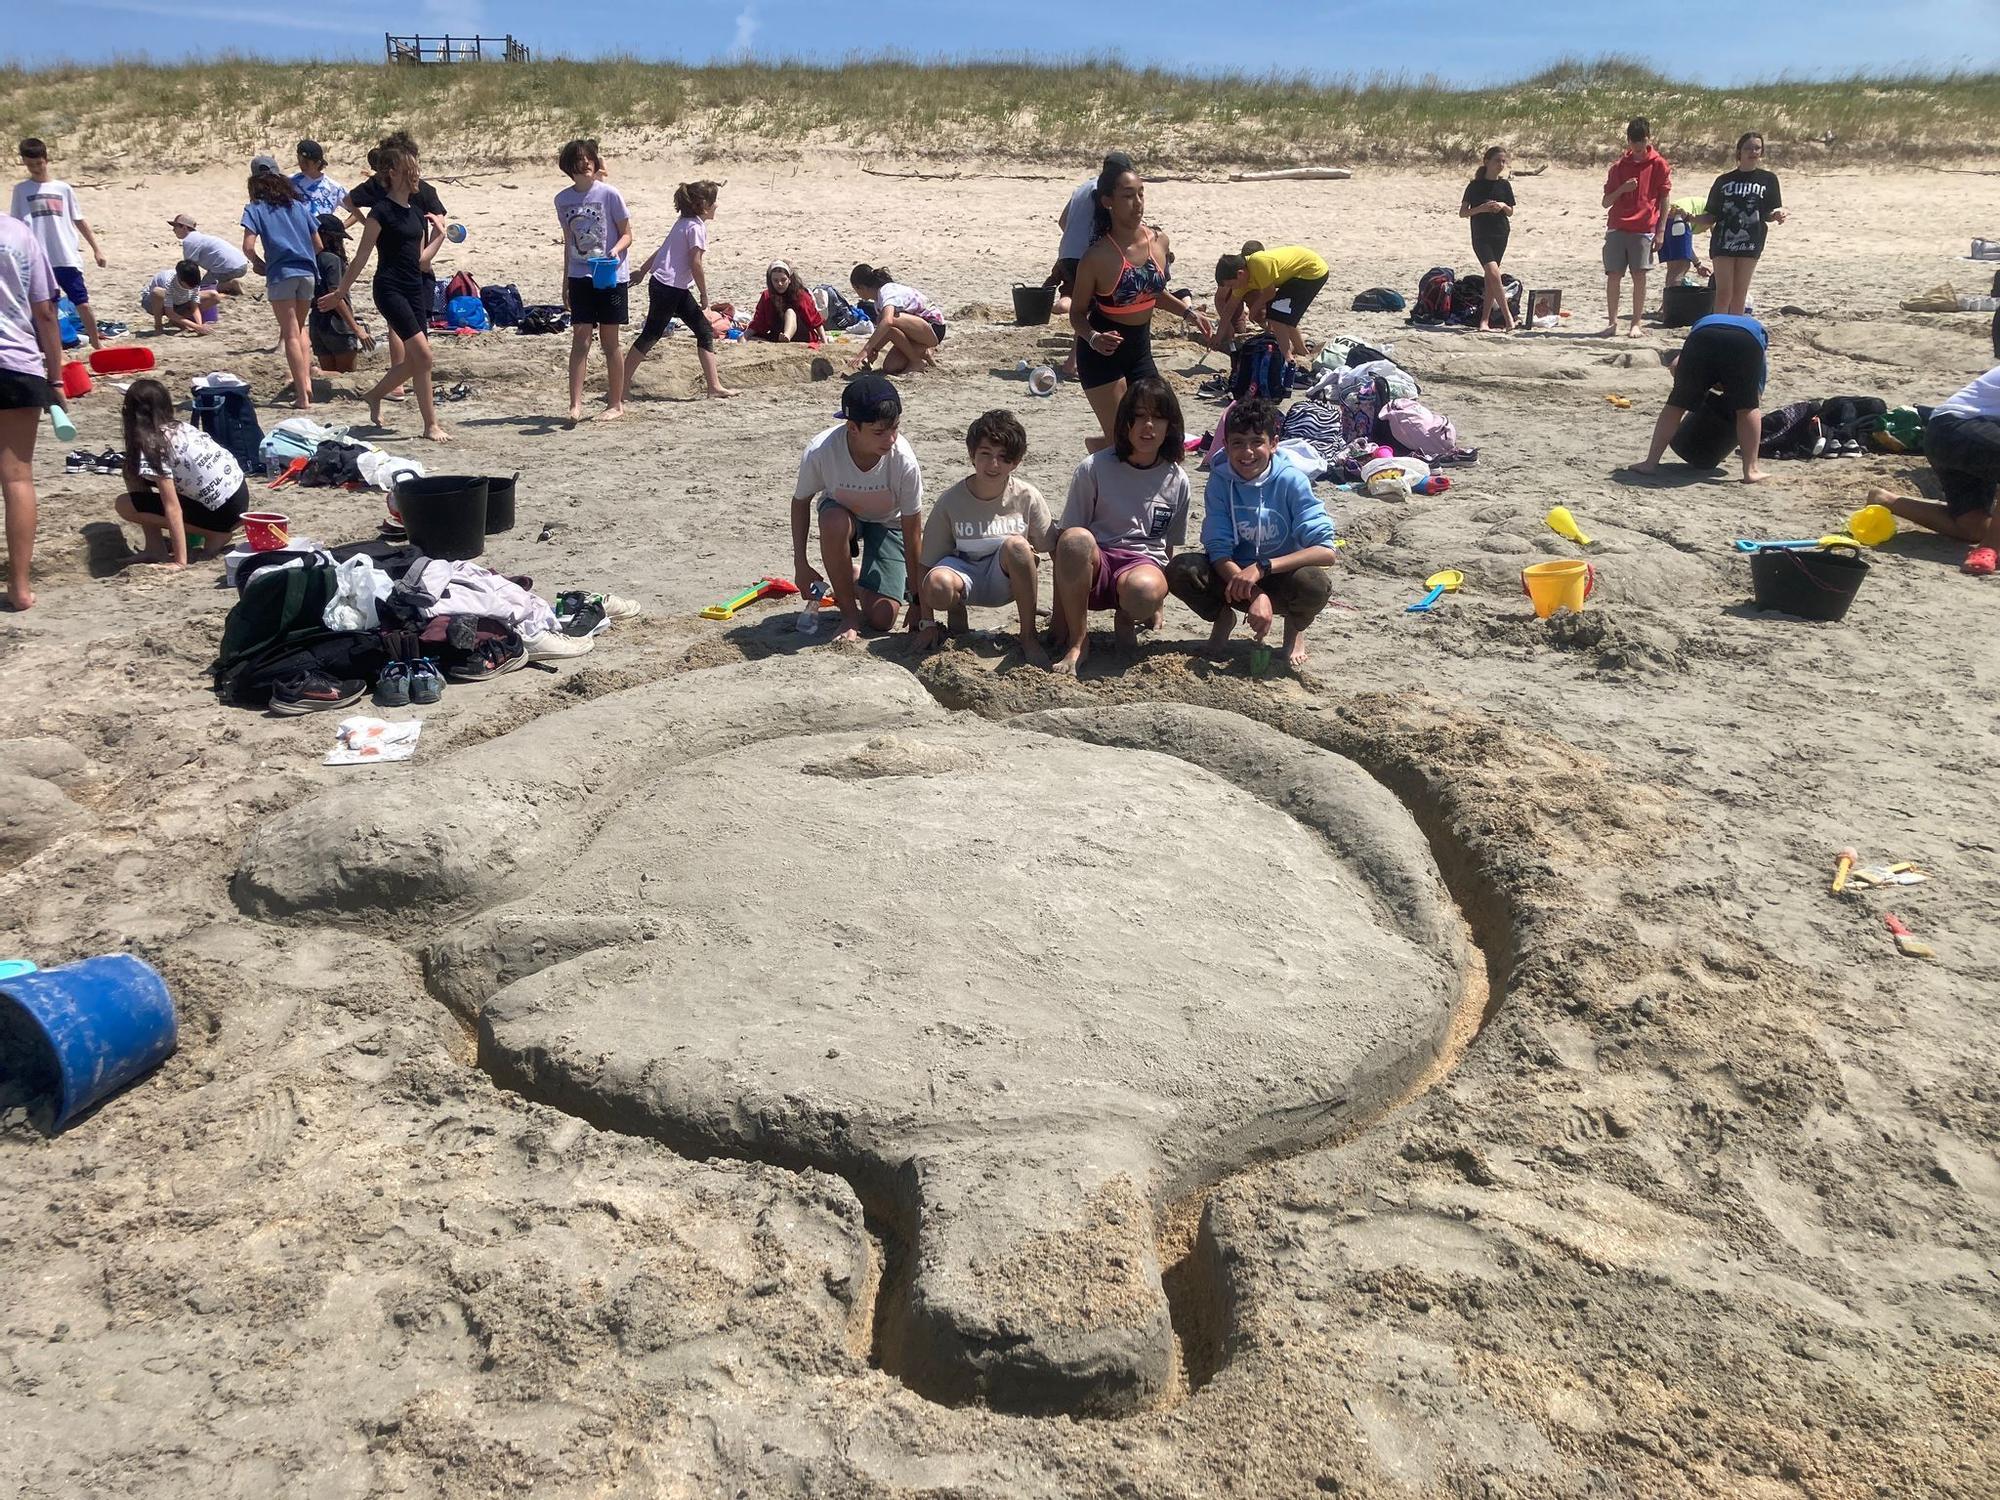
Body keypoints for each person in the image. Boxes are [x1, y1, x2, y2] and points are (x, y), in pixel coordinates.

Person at [1167, 398, 1338, 670]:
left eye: (1256, 441)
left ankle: (1294, 631)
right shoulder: (1220, 481)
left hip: (1280, 575)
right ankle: (1223, 619)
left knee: (1314, 583)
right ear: (1226, 445)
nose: (1247, 452)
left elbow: (1326, 552)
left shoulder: (1292, 480)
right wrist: (1255, 593)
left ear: (1273, 443)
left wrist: (1262, 568)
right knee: (1182, 569)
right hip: (1234, 577)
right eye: (1237, 443)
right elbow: (1218, 548)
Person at [1048, 375, 1190, 675]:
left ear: (1170, 426)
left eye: (1157, 417)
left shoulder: (1177, 479)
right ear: (1125, 422)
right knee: (1075, 540)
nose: (1147, 426)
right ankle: (1079, 640)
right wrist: (1058, 616)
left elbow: (1168, 545)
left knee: (1144, 591)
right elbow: (1067, 542)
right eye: (1138, 416)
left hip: (1142, 564)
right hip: (1097, 562)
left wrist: (1157, 604)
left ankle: (1126, 618)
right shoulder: (1094, 467)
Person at [1070, 158, 1211, 450]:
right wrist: (1093, 338)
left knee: (1167, 431)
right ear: (1108, 201)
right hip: (1101, 354)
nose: (1138, 203)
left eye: (1141, 193)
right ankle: (1103, 451)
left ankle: (1098, 446)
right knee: (1124, 440)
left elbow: (1151, 292)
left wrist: (1187, 312)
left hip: (1138, 349)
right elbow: (1077, 314)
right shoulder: (1097, 257)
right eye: (1127, 195)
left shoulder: (1159, 242)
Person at [319, 144, 448, 441]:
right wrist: (340, 292)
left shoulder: (416, 212)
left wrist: (439, 236)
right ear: (393, 173)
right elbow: (362, 256)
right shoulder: (381, 212)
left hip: (415, 287)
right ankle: (427, 423)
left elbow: (421, 261)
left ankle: (382, 399)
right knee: (424, 357)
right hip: (389, 289)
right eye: (410, 170)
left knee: (418, 359)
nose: (416, 175)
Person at [791, 371, 923, 643]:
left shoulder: (904, 462)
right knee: (832, 521)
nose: (891, 439)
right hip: (844, 515)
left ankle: (854, 575)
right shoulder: (821, 451)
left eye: (895, 428)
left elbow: (913, 531)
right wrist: (801, 564)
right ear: (852, 427)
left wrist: (919, 601)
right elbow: (800, 502)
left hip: (889, 522)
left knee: (883, 619)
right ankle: (848, 614)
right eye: (879, 432)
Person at [914, 409, 1053, 667]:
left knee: (1018, 546)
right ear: (972, 455)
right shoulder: (951, 501)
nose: (994, 465)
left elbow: (1053, 550)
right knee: (936, 583)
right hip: (965, 574)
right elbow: (926, 562)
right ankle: (957, 613)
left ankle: (1028, 635)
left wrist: (1062, 617)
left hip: (1008, 580)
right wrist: (927, 622)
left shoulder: (1027, 496)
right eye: (986, 454)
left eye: (1003, 457)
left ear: (1016, 461)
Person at [1864, 364, 2000, 576]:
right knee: (1991, 535)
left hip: (1949, 435)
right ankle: (1991, 549)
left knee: (1975, 528)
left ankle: (1886, 501)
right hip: (1956, 429)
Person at [344, 133, 448, 401]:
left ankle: (402, 388)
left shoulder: (386, 186)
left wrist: (360, 221)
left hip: (414, 263)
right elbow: (440, 219)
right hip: (409, 265)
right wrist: (367, 224)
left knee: (410, 336)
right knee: (409, 334)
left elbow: (348, 200)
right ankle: (398, 386)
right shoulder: (406, 189)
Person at [0, 210, 63, 610]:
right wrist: (56, 377)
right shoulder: (18, 234)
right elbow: (45, 310)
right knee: (17, 478)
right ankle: (19, 589)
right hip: (15, 363)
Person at [114, 377, 248, 567]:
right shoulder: (181, 428)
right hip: (239, 498)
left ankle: (215, 534)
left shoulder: (154, 445)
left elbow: (172, 507)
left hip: (222, 514)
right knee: (131, 470)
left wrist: (179, 561)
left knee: (124, 504)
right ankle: (155, 547)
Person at [626, 178, 739, 402]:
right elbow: (695, 263)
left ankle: (714, 387)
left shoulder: (684, 222)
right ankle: (619, 387)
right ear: (704, 206)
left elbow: (663, 249)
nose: (717, 206)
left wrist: (642, 270)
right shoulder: (696, 227)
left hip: (672, 287)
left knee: (704, 331)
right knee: (651, 334)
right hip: (668, 287)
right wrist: (704, 295)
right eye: (714, 202)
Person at [1629, 312, 1768, 484]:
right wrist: (1735, 395)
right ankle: (1751, 470)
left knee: (1676, 404)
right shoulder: (1756, 333)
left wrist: (1694, 389)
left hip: (1703, 337)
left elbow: (1675, 366)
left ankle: (1650, 463)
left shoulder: (1704, 323)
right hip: (1745, 342)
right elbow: (1756, 393)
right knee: (1747, 408)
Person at [550, 139, 633, 422]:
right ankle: (575, 404)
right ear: (569, 166)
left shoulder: (610, 194)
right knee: (580, 339)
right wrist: (565, 283)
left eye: (589, 159)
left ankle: (615, 403)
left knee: (610, 341)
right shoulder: (562, 200)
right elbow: (568, 242)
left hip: (610, 275)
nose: (585, 164)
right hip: (579, 276)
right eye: (579, 160)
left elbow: (627, 234)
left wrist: (616, 250)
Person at [240, 154, 322, 410]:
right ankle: (306, 380)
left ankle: (302, 395)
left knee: (290, 334)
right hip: (308, 271)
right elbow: (318, 244)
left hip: (281, 273)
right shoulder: (298, 206)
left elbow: (248, 246)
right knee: (300, 329)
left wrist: (258, 264)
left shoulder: (255, 209)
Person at [11, 138, 107, 350]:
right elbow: (16, 226)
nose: (36, 168)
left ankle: (96, 342)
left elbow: (79, 219)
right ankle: (55, 347)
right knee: (48, 307)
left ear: (46, 159)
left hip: (65, 256)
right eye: (30, 165)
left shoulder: (62, 188)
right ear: (24, 163)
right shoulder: (21, 190)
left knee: (82, 302)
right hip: (38, 259)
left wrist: (96, 249)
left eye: (39, 163)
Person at [1699, 132, 1786, 317]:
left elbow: (1767, 214)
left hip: (1752, 241)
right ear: (1739, 151)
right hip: (1723, 242)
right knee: (1723, 293)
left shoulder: (1768, 179)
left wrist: (1777, 214)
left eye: (1757, 148)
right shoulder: (1724, 180)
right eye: (1748, 148)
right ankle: (1718, 330)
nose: (1753, 152)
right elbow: (1711, 216)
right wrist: (1689, 217)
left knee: (1740, 294)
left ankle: (1734, 333)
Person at [1602, 117, 1672, 337]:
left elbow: (1665, 197)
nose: (1638, 146)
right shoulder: (1618, 167)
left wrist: (1661, 230)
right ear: (1629, 141)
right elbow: (1606, 202)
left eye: (1641, 140)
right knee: (1614, 274)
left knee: (1639, 274)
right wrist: (1622, 188)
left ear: (1648, 138)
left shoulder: (1658, 163)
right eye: (1634, 141)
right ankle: (1612, 322)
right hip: (1617, 226)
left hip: (1643, 227)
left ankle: (1636, 323)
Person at [1211, 244, 1329, 360]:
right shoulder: (1241, 283)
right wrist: (1219, 337)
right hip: (1297, 275)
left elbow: (1270, 293)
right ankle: (1301, 351)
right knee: (1282, 314)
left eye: (1231, 285)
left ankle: (1287, 357)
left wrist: (1254, 309)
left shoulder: (1258, 263)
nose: (1233, 288)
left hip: (1311, 270)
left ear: (1240, 274)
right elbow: (1229, 309)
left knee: (1276, 314)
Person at [847, 264, 945, 375]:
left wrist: (866, 350)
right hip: (916, 333)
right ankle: (924, 353)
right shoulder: (877, 302)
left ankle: (916, 362)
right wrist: (875, 349)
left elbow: (888, 321)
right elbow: (890, 332)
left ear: (861, 287)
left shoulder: (886, 291)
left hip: (933, 327)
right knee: (891, 367)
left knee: (887, 319)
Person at [1460, 147, 1517, 333]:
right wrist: (1481, 208)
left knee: (1491, 278)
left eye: (1503, 161)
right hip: (1480, 234)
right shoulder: (1474, 186)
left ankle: (1484, 321)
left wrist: (1501, 205)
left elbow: (1511, 211)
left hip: (1500, 233)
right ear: (1486, 161)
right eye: (1497, 161)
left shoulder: (1505, 185)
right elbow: (1463, 212)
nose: (1500, 165)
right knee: (1493, 272)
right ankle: (1508, 318)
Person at [308, 216, 372, 375]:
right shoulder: (332, 259)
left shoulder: (309, 258)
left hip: (317, 323)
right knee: (347, 375)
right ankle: (316, 372)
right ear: (329, 237)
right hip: (338, 325)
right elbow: (335, 297)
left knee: (331, 376)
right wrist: (357, 329)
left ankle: (319, 372)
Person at [169, 214, 251, 296]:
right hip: (241, 265)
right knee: (211, 282)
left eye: (175, 227)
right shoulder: (200, 237)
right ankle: (227, 284)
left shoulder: (189, 240)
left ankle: (230, 284)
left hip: (231, 268)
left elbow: (189, 268)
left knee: (202, 290)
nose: (173, 230)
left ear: (184, 227)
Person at [746, 261, 824, 345]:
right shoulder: (767, 296)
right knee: (751, 338)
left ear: (789, 279)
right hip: (778, 332)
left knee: (790, 312)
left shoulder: (800, 295)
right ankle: (780, 340)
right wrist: (744, 336)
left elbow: (815, 320)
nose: (780, 284)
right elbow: (759, 321)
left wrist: (824, 340)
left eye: (783, 280)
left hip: (800, 333)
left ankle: (787, 336)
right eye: (775, 280)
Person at [140, 260, 212, 335]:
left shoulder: (194, 280)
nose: (192, 288)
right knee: (158, 292)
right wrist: (196, 327)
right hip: (153, 303)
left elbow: (194, 307)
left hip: (177, 300)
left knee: (213, 296)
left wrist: (199, 326)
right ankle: (158, 326)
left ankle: (175, 321)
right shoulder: (168, 283)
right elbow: (170, 313)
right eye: (189, 286)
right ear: (181, 280)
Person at [1659, 193, 1713, 291]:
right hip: (1679, 218)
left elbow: (1686, 248)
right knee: (1681, 266)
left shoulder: (1702, 206)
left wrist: (1698, 265)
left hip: (1665, 219)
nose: (1705, 231)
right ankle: (1672, 304)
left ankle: (1667, 304)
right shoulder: (1712, 216)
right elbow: (1716, 242)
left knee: (1673, 269)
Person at [291, 139, 346, 219]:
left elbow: (355, 211)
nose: (302, 165)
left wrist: (339, 228)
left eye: (306, 163)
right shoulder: (290, 182)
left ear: (317, 163)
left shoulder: (333, 187)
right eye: (300, 161)